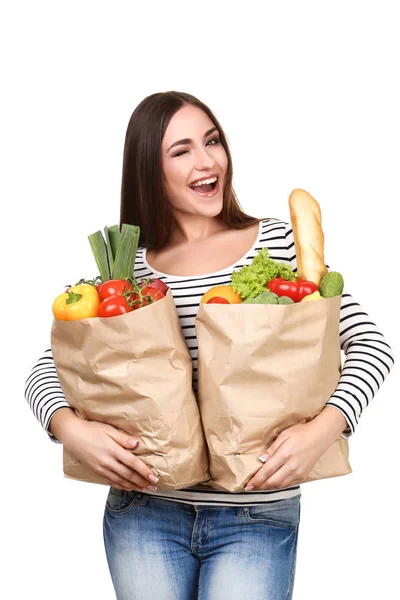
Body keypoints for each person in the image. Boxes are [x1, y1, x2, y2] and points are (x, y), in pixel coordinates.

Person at [24, 91, 394, 600]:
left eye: (212, 141)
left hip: (256, 511)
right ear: (149, 170)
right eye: (181, 150)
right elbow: (49, 368)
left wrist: (323, 431)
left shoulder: (279, 245)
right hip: (143, 511)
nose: (207, 160)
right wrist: (69, 429)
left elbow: (370, 345)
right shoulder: (128, 272)